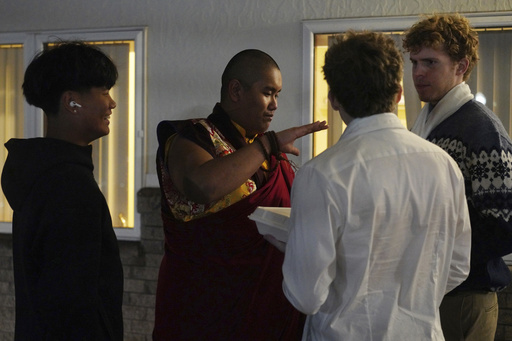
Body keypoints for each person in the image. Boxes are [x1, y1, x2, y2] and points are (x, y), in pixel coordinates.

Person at [277, 31, 472, 340]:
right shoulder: (442, 164)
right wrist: (409, 296)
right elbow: (458, 266)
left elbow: (305, 296)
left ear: (334, 98)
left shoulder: (322, 175)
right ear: (398, 94)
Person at [153, 49, 327, 340]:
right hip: (205, 311)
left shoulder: (269, 154)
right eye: (267, 92)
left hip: (270, 309)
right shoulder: (192, 138)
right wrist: (267, 145)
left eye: (278, 95)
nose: (274, 105)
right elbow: (203, 185)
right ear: (236, 90)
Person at [1, 41, 123, 340]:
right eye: (104, 91)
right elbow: (72, 303)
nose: (112, 103)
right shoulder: (68, 185)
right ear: (71, 102)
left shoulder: (42, 172)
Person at [403, 13, 512, 340]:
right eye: (414, 62)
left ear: (461, 66)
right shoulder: (429, 123)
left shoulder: (481, 130)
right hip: (430, 291)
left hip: (465, 295)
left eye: (430, 63)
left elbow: (504, 224)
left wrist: (438, 256)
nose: (418, 73)